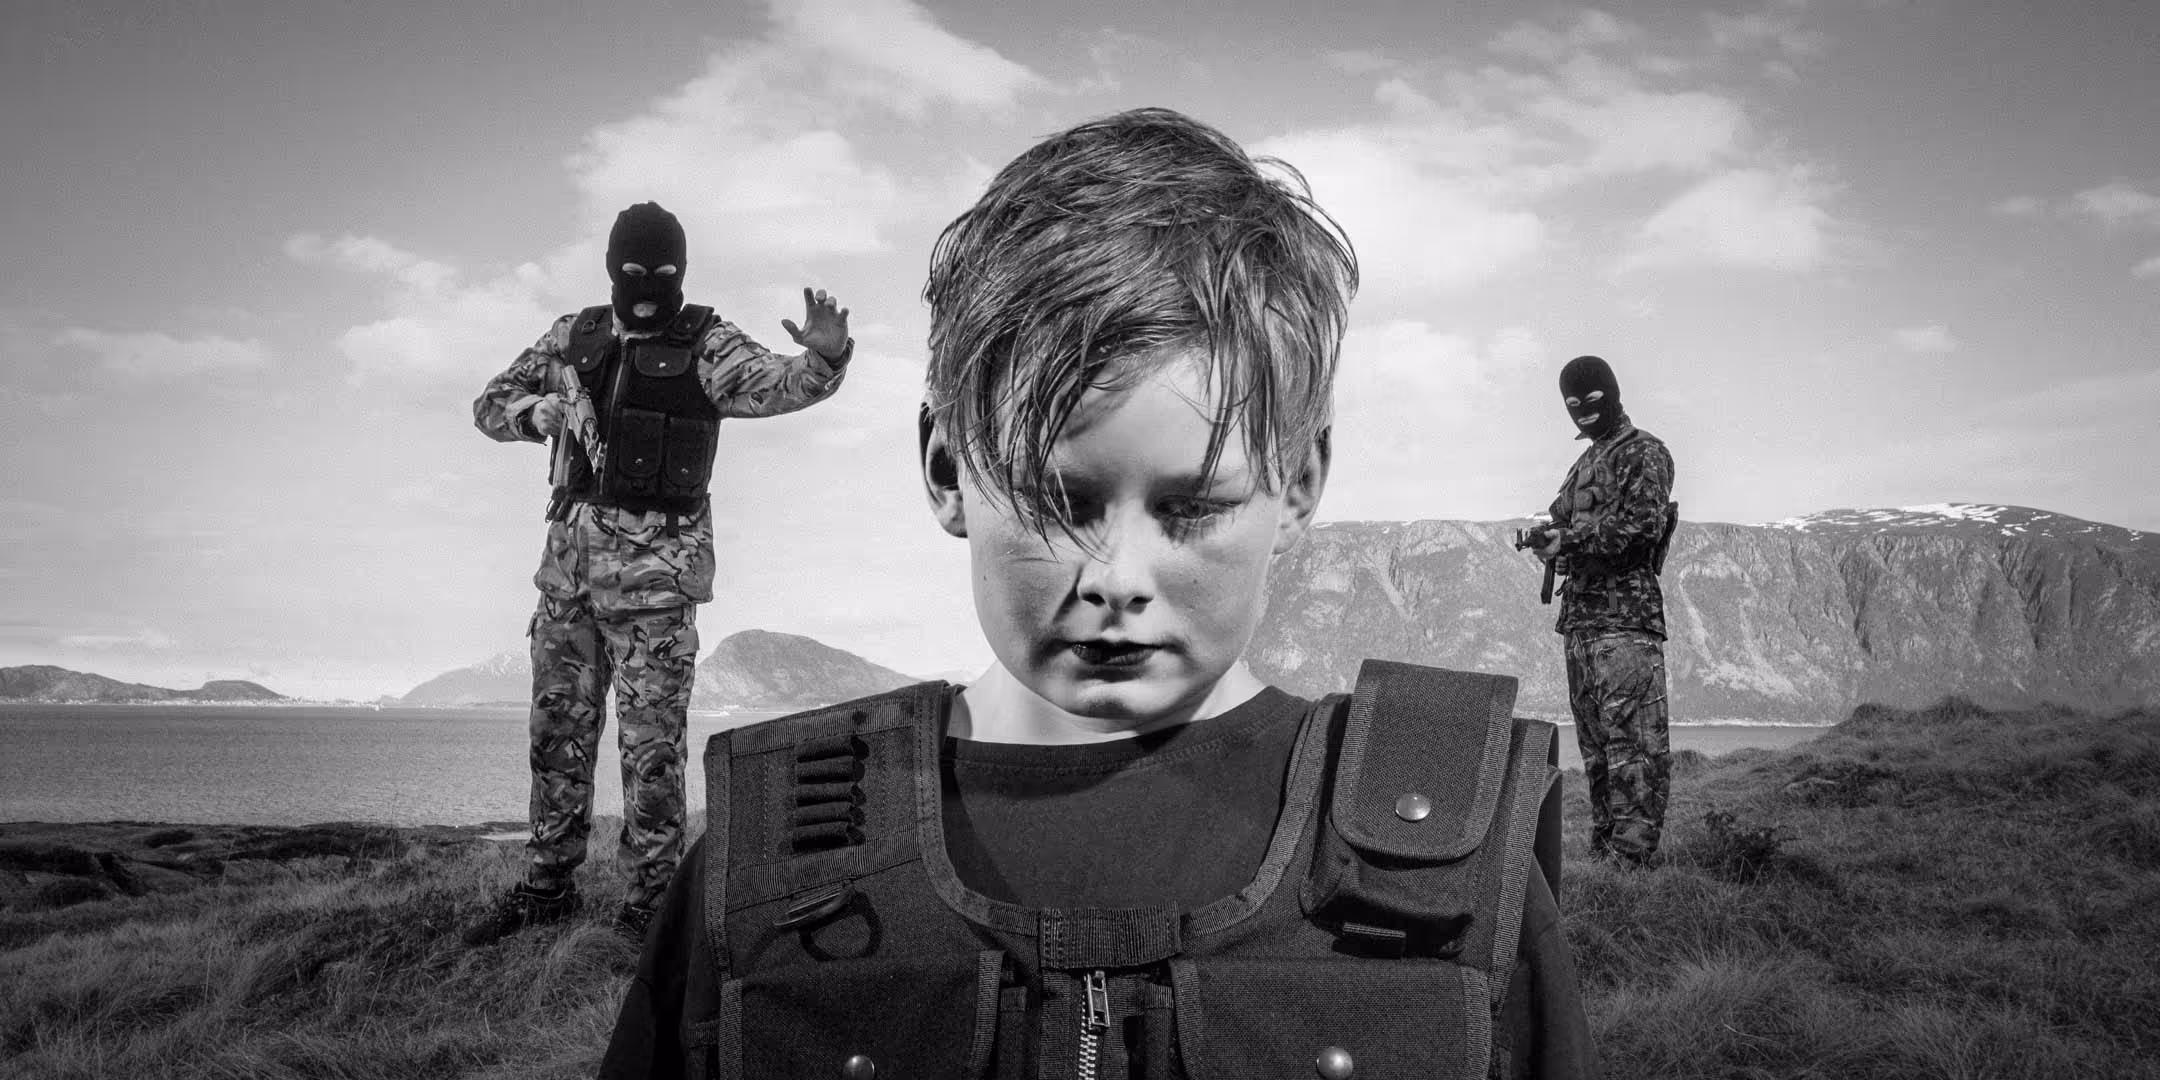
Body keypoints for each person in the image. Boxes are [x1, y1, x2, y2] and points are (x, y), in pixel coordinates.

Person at [600, 109, 1597, 1079]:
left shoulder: (1461, 868)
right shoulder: (756, 870)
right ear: (947, 470)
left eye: (1193, 508)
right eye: (1058, 501)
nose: (1116, 578)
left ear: (1299, 482)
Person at [464, 201, 854, 945]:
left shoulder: (706, 343)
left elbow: (781, 384)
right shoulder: (573, 336)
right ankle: (547, 888)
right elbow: (489, 403)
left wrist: (825, 358)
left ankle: (651, 905)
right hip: (567, 588)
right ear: (612, 269)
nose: (648, 287)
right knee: (556, 741)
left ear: (683, 272)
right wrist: (533, 414)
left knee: (651, 757)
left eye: (664, 273)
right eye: (634, 272)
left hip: (656, 596)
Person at [1531, 354, 1676, 868]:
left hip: (1625, 623)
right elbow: (1566, 525)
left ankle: (1633, 863)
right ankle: (1606, 860)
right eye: (1572, 403)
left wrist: (1569, 539)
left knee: (1635, 747)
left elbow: (1643, 527)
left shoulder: (1644, 452)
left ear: (1612, 393)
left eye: (1593, 399)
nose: (1583, 410)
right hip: (1582, 624)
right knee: (1597, 751)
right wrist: (1550, 540)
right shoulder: (1584, 463)